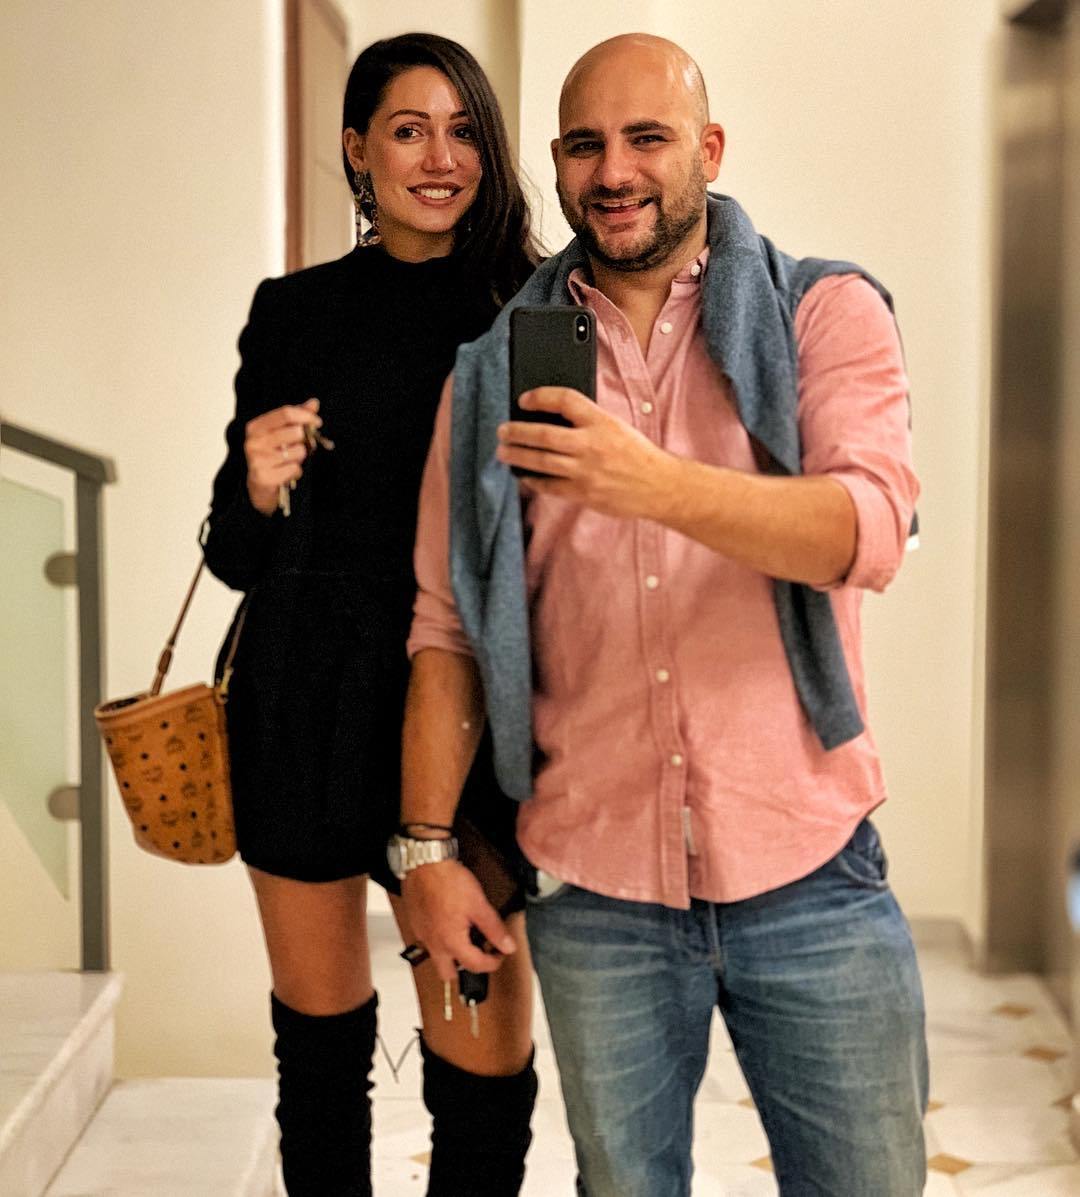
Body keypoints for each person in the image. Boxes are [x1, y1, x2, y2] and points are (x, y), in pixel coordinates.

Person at [399, 31, 928, 1197]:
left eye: (647, 138)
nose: (615, 172)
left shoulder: (822, 311)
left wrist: (649, 484)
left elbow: (867, 531)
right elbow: (445, 627)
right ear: (555, 162)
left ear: (710, 148)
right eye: (584, 145)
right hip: (596, 894)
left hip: (811, 873)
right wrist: (425, 850)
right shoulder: (489, 372)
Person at [202, 33, 540, 1197]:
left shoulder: (538, 306)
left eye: (462, 132)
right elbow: (236, 557)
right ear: (357, 150)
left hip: (463, 715)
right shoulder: (291, 311)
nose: (439, 158)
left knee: (482, 1069)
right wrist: (254, 486)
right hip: (302, 700)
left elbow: (570, 534)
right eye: (408, 131)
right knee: (319, 1054)